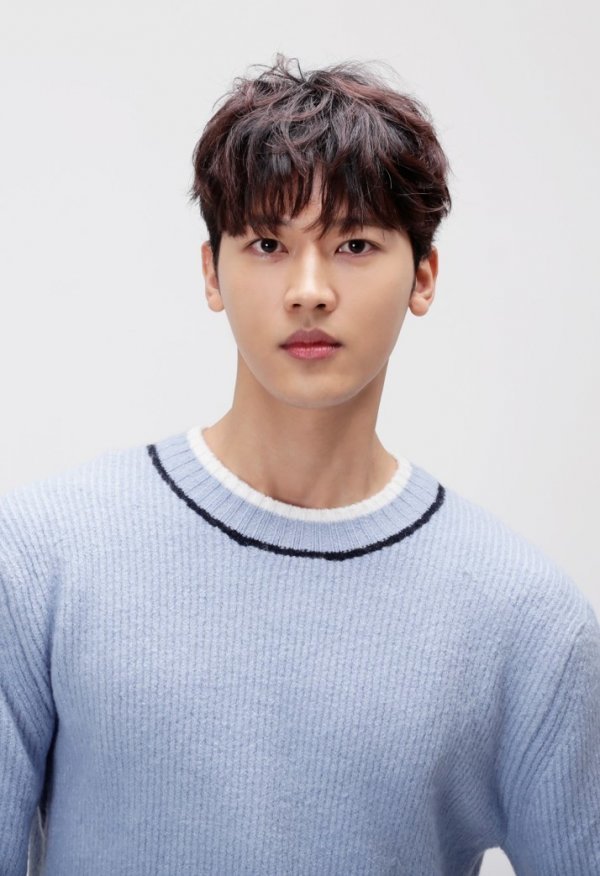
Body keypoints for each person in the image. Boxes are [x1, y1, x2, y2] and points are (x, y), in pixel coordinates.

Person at [1, 54, 598, 876]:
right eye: (267, 243)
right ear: (211, 272)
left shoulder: (527, 624)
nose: (309, 290)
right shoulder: (40, 558)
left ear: (424, 275)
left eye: (354, 243)